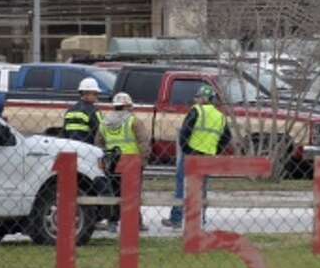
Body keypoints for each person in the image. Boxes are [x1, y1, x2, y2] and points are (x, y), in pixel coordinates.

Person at [162, 84, 231, 229]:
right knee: (202, 188)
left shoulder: (196, 110)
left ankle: (177, 218)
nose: (197, 100)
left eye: (198, 97)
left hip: (191, 154)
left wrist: (186, 148)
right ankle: (200, 219)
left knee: (182, 186)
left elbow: (185, 132)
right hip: (208, 157)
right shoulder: (220, 116)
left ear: (202, 98)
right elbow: (226, 137)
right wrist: (215, 150)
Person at [97, 91, 151, 233]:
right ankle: (135, 222)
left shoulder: (104, 122)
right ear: (128, 105)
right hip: (132, 162)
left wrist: (104, 160)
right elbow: (143, 142)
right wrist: (144, 160)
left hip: (112, 163)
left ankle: (112, 222)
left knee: (115, 192)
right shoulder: (134, 121)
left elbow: (98, 144)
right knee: (133, 193)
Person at [62, 77, 101, 143]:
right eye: (95, 94)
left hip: (70, 146)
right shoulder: (93, 110)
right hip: (88, 147)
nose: (97, 96)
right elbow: (101, 130)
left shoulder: (70, 110)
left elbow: (64, 132)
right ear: (87, 93)